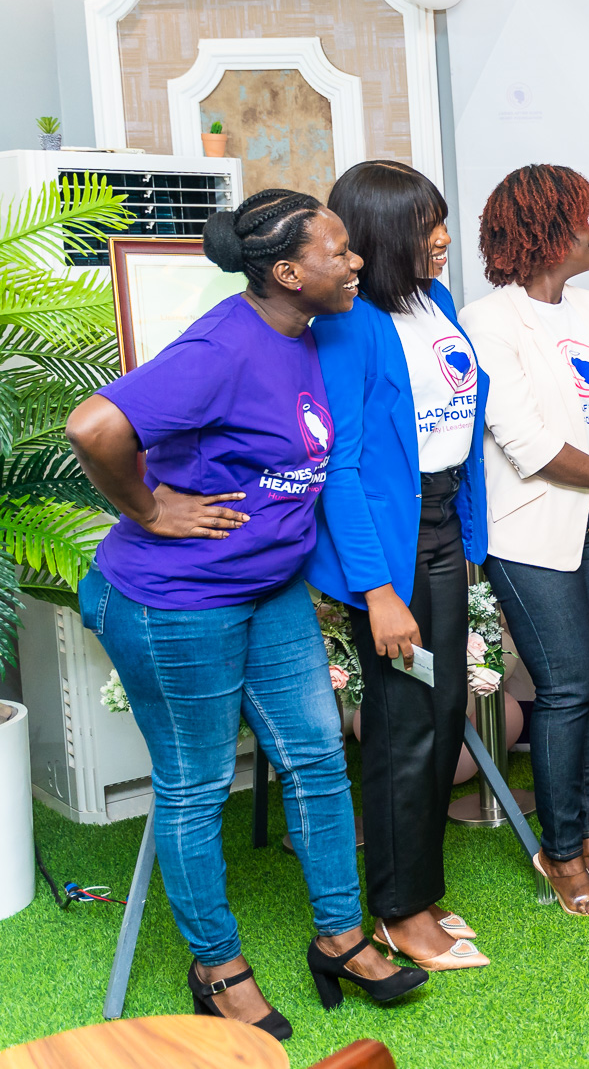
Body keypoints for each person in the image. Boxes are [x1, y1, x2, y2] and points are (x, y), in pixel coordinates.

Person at [66, 190, 427, 1038]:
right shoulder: (222, 347)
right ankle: (217, 966)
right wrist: (151, 508)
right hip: (178, 601)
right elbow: (93, 426)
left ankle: (339, 937)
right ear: (290, 272)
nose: (357, 261)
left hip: (267, 588)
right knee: (195, 786)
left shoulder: (308, 333)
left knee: (317, 756)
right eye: (339, 251)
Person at [459, 165, 589, 913]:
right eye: (580, 219)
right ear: (544, 231)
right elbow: (530, 445)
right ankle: (561, 850)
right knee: (565, 686)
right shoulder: (488, 321)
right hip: (530, 534)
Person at [310, 160, 489, 969]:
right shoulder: (347, 324)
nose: (444, 237)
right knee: (404, 724)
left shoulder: (435, 300)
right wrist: (377, 590)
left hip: (443, 522)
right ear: (383, 236)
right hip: (391, 547)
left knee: (443, 710)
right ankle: (398, 909)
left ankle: (419, 887)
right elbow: (339, 467)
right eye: (426, 226)